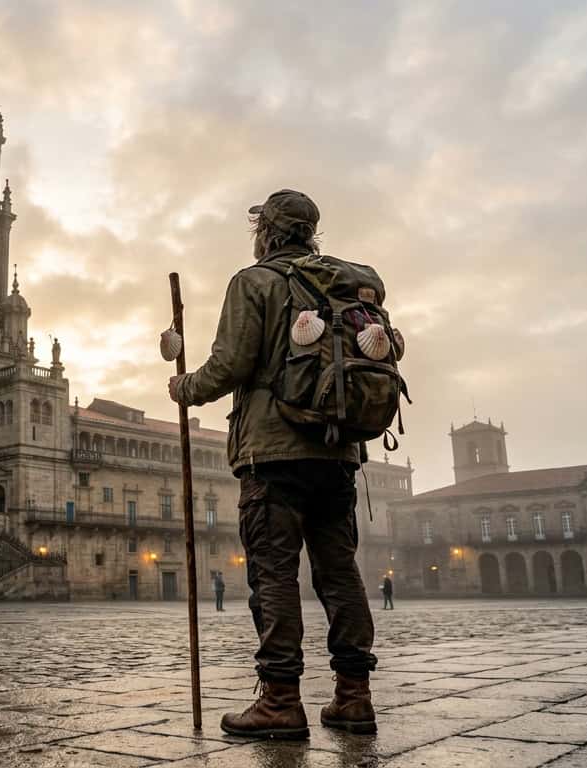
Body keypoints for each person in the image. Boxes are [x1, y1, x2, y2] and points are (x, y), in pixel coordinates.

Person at [169, 189, 378, 740]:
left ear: (266, 232)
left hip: (273, 455)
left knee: (274, 574)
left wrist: (183, 387)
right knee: (339, 572)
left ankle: (281, 700)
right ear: (311, 234)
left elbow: (229, 366)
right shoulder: (345, 283)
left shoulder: (254, 281)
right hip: (337, 453)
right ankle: (354, 697)